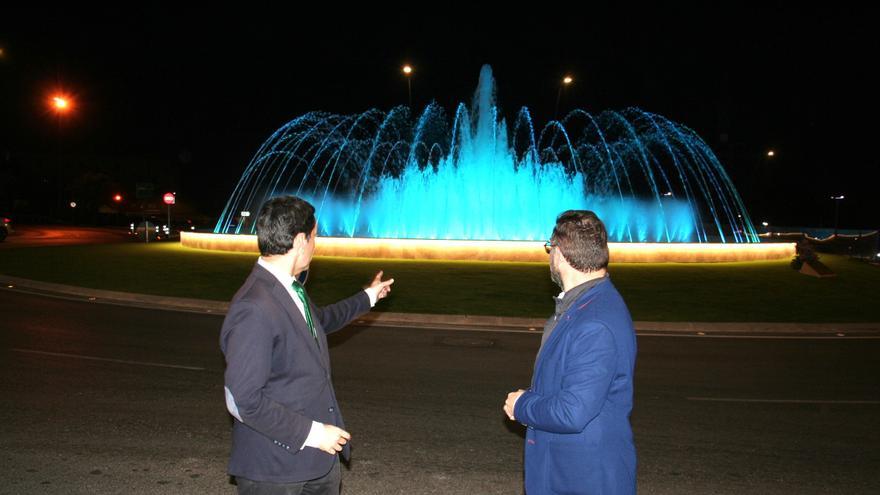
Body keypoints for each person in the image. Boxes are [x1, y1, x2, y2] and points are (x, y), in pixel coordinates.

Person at [220, 195, 394, 494]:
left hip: (314, 463)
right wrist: (314, 434)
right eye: (315, 237)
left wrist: (368, 297)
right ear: (300, 241)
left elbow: (320, 322)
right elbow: (243, 399)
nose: (316, 245)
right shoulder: (255, 307)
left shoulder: (288, 288)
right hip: (276, 471)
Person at [504, 210, 637, 494]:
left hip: (581, 477)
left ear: (561, 253)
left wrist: (522, 405)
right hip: (571, 471)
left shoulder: (596, 323)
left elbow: (573, 412)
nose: (550, 255)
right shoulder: (587, 304)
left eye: (550, 248)